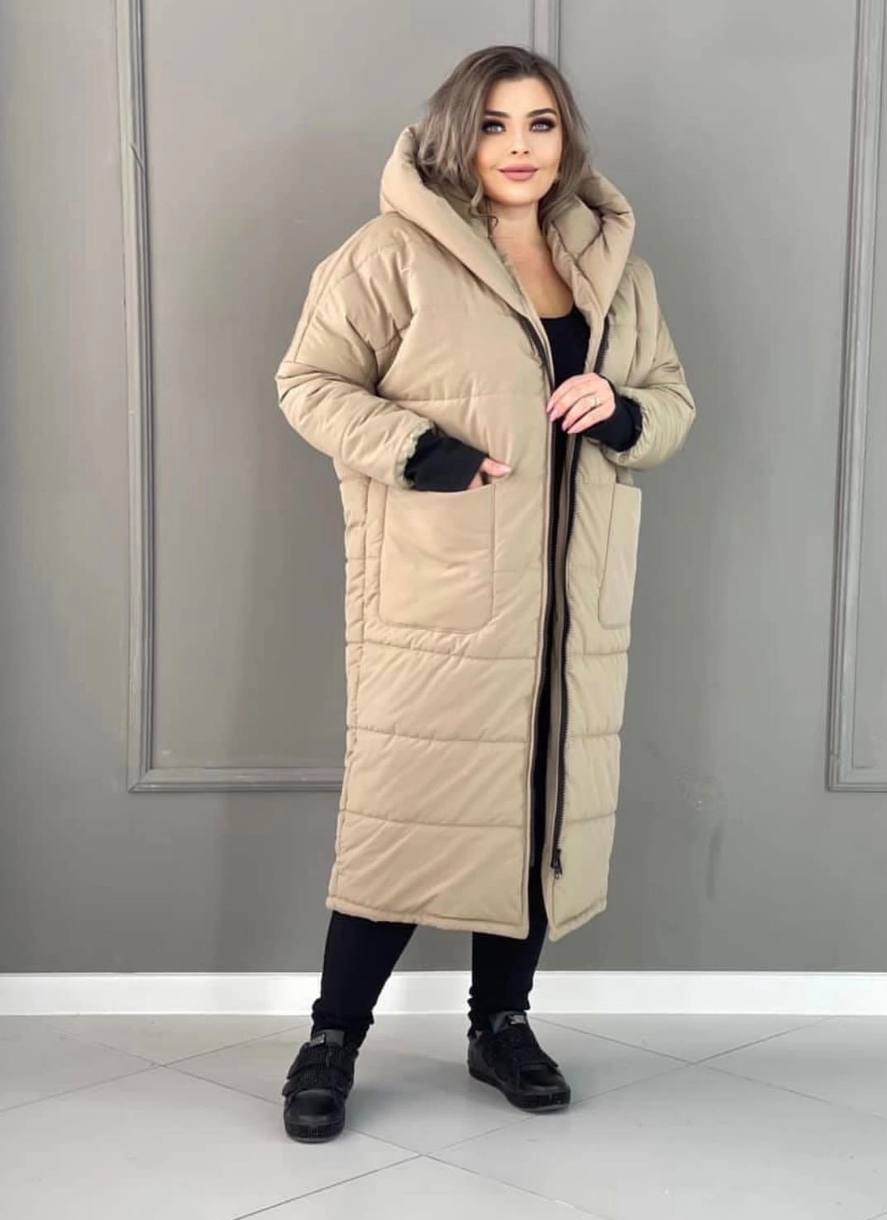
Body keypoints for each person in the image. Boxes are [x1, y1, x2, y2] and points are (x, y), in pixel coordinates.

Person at [275, 45, 696, 1142]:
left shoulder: (613, 266)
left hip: (571, 600)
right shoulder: (391, 253)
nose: (519, 147)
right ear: (458, 136)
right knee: (401, 816)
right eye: (496, 125)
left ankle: (498, 1023)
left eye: (540, 124)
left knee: (535, 814)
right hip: (441, 595)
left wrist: (621, 410)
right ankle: (331, 1038)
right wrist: (421, 450)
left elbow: (670, 402)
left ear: (566, 138)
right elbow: (307, 382)